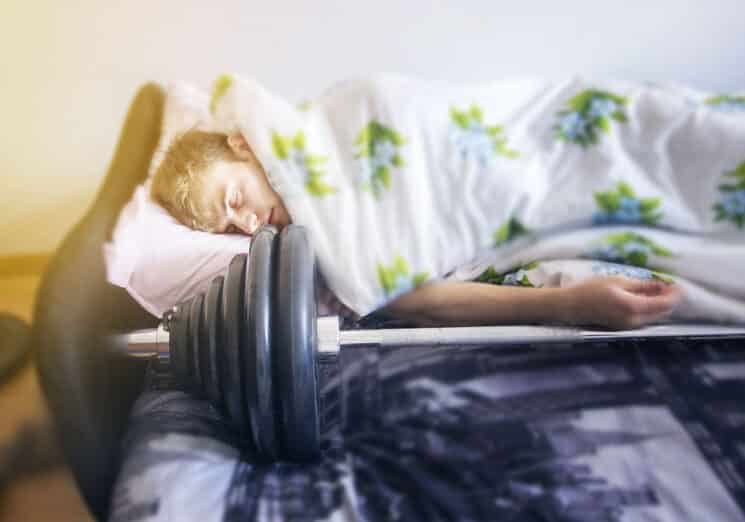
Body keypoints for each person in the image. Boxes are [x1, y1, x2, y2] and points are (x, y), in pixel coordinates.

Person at [151, 129, 683, 331]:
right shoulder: (314, 250)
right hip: (516, 249)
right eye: (230, 225)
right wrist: (570, 305)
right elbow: (419, 302)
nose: (247, 223)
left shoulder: (330, 139)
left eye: (236, 198)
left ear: (242, 145)